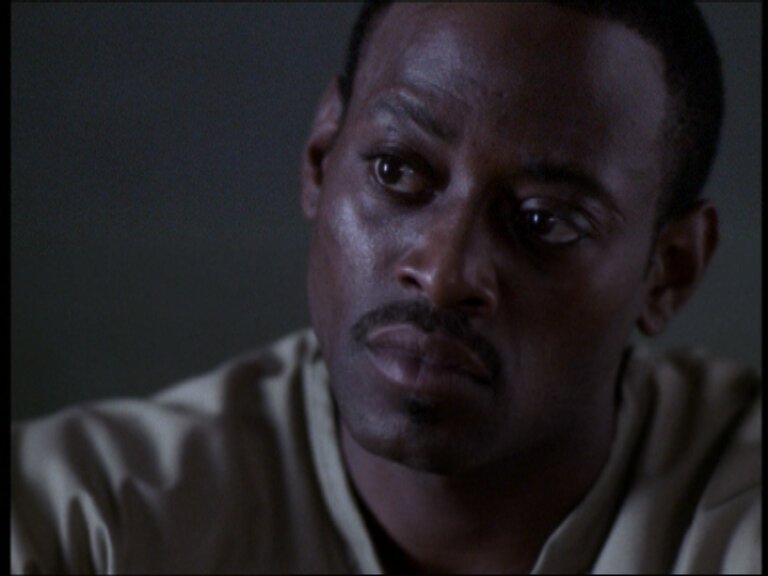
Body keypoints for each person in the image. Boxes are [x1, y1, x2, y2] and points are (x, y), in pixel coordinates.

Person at [11, 1, 761, 574]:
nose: (443, 272)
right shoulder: (78, 523)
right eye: (396, 170)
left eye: (546, 220)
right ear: (320, 158)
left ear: (670, 270)